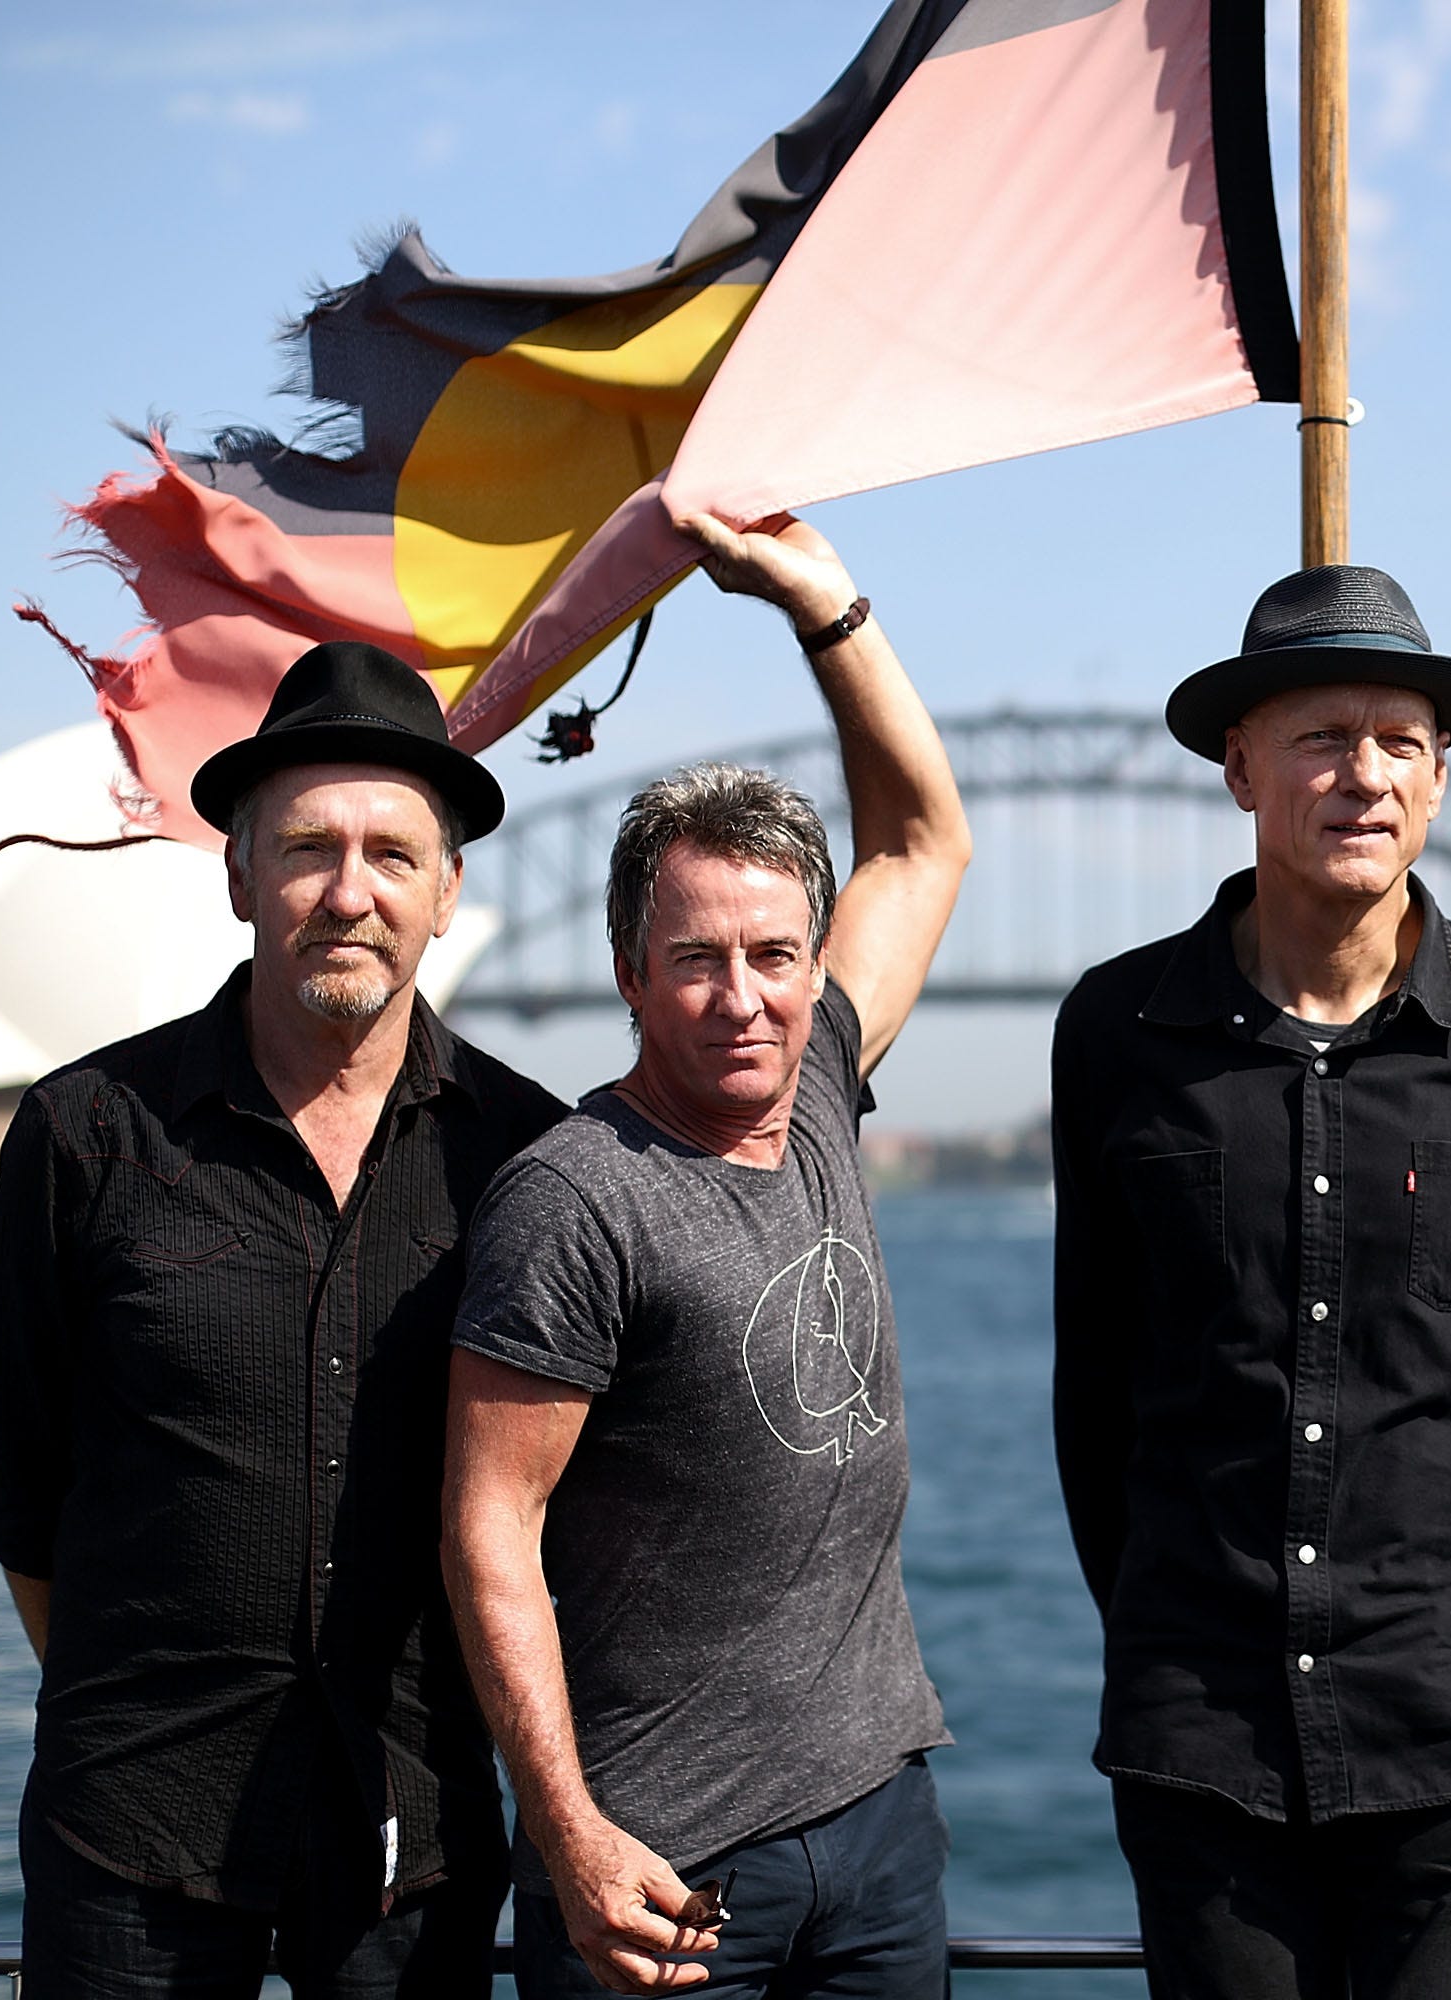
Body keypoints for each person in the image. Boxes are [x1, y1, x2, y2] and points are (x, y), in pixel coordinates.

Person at [0, 641, 565, 2000]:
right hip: (130, 1846)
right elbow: (21, 1482)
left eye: (392, 855)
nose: (348, 893)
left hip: (415, 1845)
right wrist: (139, 1702)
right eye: (306, 849)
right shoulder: (85, 1134)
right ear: (239, 875)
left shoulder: (528, 1155)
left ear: (448, 890)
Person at [1049, 565, 1451, 1999]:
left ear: (1439, 780)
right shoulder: (1119, 1030)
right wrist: (1175, 1617)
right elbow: (1096, 1385)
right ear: (1239, 767)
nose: (1364, 776)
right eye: (1321, 739)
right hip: (1207, 1739)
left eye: (1401, 742)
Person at [440, 514, 971, 2000]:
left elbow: (925, 843)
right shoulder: (573, 1198)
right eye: (696, 960)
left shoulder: (815, 1095)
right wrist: (568, 1836)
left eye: (775, 956)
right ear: (629, 973)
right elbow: (490, 1532)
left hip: (879, 1828)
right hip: (666, 1873)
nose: (743, 999)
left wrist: (824, 604)